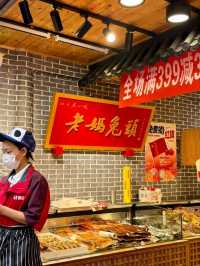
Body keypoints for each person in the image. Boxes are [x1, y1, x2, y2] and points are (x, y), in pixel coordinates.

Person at [0, 127, 50, 266]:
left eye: (8, 152)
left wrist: (2, 210)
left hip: (21, 241)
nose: (5, 156)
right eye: (3, 152)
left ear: (23, 151)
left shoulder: (37, 180)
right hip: (2, 236)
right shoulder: (5, 180)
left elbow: (32, 218)